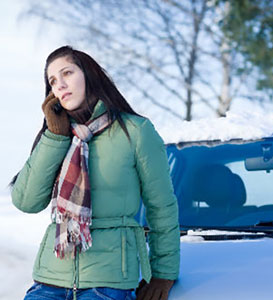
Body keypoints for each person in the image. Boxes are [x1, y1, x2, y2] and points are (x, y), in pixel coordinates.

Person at [10, 45, 180, 300]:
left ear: (89, 74)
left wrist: (163, 274)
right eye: (53, 81)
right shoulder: (58, 135)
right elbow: (27, 201)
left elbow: (161, 207)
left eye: (67, 73)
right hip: (49, 280)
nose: (60, 85)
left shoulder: (136, 131)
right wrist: (54, 137)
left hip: (108, 282)